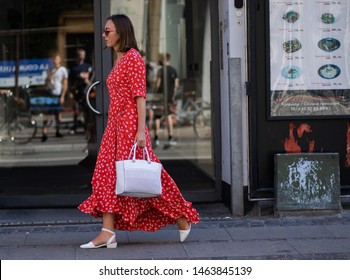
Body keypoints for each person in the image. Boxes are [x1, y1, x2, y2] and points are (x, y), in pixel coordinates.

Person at [78, 14, 199, 249]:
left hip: (129, 125)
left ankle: (182, 217)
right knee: (107, 175)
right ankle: (107, 232)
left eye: (108, 31)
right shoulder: (119, 59)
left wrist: (140, 131)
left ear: (121, 32)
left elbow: (139, 96)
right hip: (115, 125)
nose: (104, 35)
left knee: (148, 176)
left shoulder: (133, 58)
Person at [153, 52, 179, 147]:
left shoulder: (161, 70)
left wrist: (155, 92)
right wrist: (173, 95)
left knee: (158, 117)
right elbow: (176, 85)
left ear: (164, 60)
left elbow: (158, 83)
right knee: (168, 116)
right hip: (169, 97)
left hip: (160, 97)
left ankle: (156, 138)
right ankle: (170, 137)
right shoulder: (174, 70)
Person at [42, 53, 68, 142]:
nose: (55, 61)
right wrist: (49, 78)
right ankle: (44, 132)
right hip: (50, 93)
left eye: (57, 59)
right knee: (47, 113)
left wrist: (63, 95)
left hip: (58, 93)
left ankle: (57, 131)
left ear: (60, 60)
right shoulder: (51, 70)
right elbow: (46, 82)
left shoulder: (63, 70)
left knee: (58, 114)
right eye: (54, 59)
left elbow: (65, 84)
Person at [69, 48, 93, 135]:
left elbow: (91, 79)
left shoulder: (88, 66)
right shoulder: (73, 68)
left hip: (86, 92)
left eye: (83, 55)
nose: (82, 57)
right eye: (80, 55)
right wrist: (71, 92)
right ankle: (75, 126)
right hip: (77, 92)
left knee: (86, 111)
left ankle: (86, 128)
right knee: (76, 111)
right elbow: (70, 81)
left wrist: (86, 78)